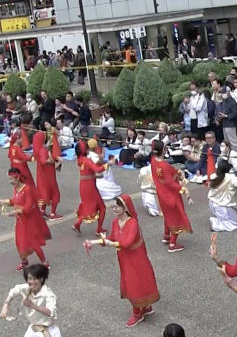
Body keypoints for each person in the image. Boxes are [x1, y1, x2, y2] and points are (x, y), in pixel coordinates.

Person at [84, 195, 160, 327]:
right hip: (125, 258)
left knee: (135, 283)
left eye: (116, 206)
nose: (114, 209)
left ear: (125, 208)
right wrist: (94, 242)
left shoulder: (133, 223)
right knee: (131, 281)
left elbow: (127, 242)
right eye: (112, 206)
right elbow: (112, 238)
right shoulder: (115, 222)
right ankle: (145, 307)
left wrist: (108, 243)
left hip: (136, 258)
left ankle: (137, 312)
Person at [0, 264, 64, 337]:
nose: (31, 282)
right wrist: (5, 306)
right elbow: (13, 291)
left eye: (34, 279)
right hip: (33, 328)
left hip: (46, 331)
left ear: (41, 279)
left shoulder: (48, 294)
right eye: (29, 279)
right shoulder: (26, 288)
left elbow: (51, 312)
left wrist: (33, 306)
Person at [0, 168, 51, 272]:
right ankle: (24, 261)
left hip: (30, 220)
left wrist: (15, 212)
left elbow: (29, 207)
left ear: (17, 178)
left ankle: (44, 262)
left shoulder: (27, 189)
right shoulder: (16, 189)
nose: (10, 182)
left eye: (11, 179)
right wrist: (4, 201)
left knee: (33, 242)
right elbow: (15, 200)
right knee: (19, 241)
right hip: (20, 220)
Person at [150, 140, 193, 253]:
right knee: (176, 216)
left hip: (161, 192)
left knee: (167, 214)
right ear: (163, 150)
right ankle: (172, 244)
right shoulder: (164, 165)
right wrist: (182, 189)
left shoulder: (153, 160)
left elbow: (170, 174)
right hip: (170, 194)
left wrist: (177, 172)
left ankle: (166, 236)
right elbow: (170, 181)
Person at [72, 140, 114, 235]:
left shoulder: (80, 160)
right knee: (102, 207)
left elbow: (89, 172)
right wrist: (109, 164)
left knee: (84, 204)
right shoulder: (86, 160)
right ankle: (99, 229)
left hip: (83, 185)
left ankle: (77, 223)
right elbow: (98, 169)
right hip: (90, 186)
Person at [207, 160, 237, 232]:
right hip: (223, 206)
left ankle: (221, 218)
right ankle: (214, 224)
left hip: (212, 203)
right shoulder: (231, 178)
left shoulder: (214, 175)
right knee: (234, 224)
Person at [31, 131, 63, 220]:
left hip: (42, 175)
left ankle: (42, 211)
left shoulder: (38, 150)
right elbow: (44, 161)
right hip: (48, 175)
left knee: (45, 192)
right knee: (55, 193)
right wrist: (52, 161)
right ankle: (53, 214)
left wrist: (55, 158)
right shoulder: (42, 151)